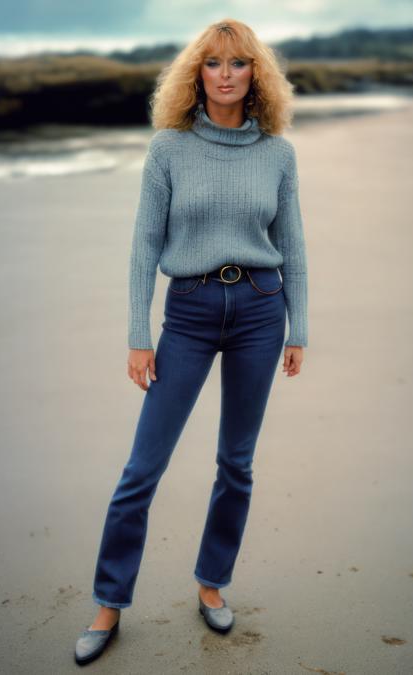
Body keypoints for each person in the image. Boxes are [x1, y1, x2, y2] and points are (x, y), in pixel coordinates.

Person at [74, 17, 308, 666]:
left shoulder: (278, 154)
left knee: (236, 462)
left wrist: (300, 328)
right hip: (192, 310)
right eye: (213, 63)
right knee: (141, 469)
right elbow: (144, 246)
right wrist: (137, 335)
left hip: (262, 310)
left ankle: (211, 581)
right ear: (196, 74)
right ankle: (108, 601)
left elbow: (293, 248)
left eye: (238, 64)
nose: (226, 75)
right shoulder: (168, 148)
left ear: (255, 74)